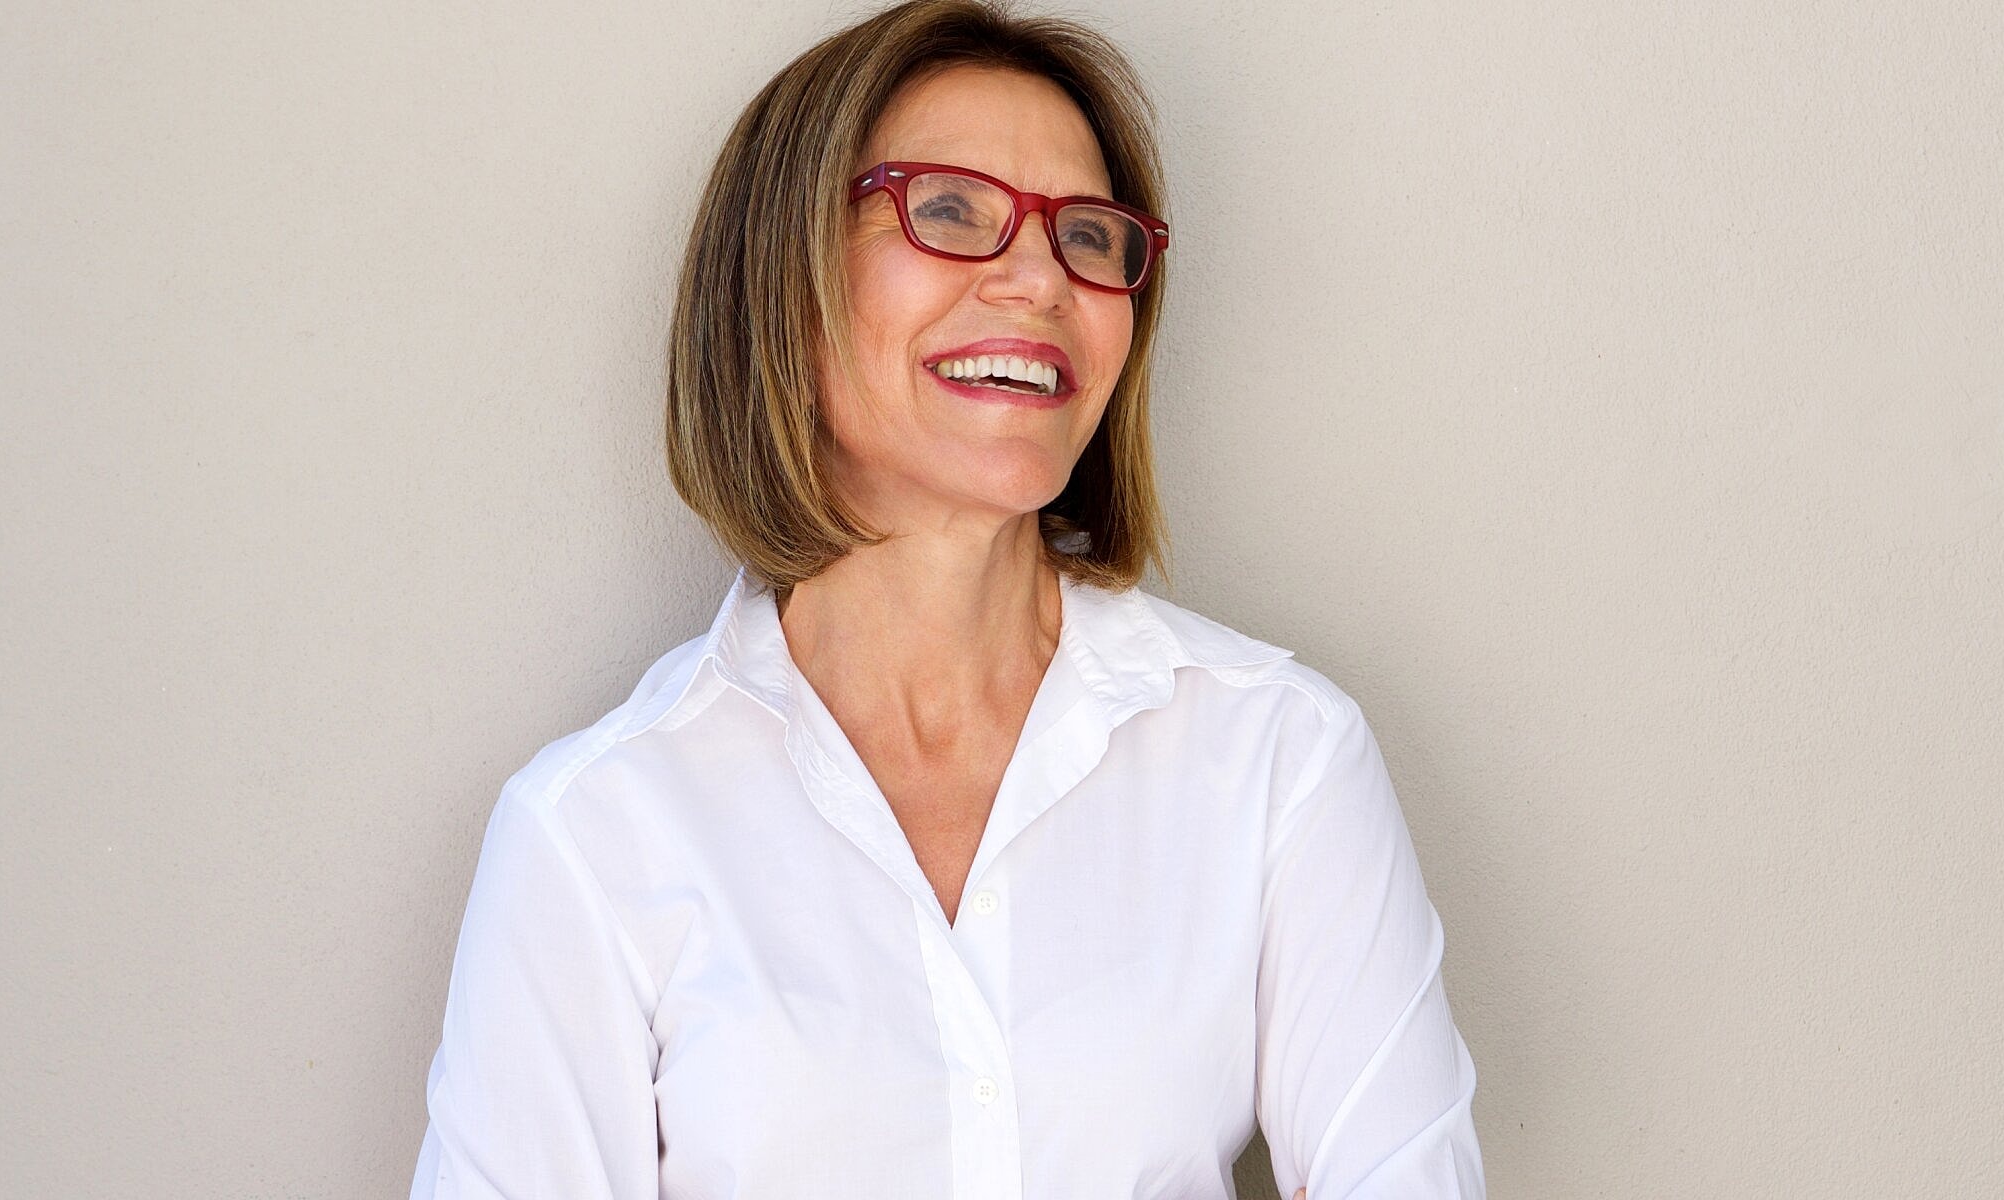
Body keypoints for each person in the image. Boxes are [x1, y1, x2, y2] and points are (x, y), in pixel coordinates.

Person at [407, 2, 1484, 1196]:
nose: (1039, 279)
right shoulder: (595, 833)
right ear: (782, 277)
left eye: (1088, 235)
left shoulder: (1277, 757)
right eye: (950, 210)